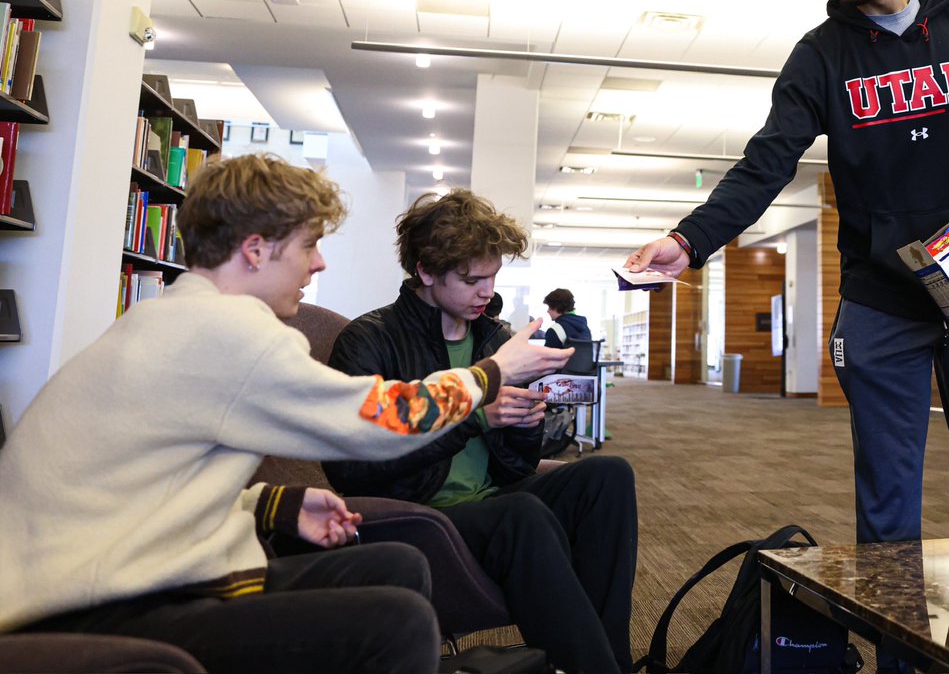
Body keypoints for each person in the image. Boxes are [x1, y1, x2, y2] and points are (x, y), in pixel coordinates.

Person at [0, 154, 570, 674]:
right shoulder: (228, 334)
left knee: (395, 566)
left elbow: (148, 485)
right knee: (398, 620)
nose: (319, 264)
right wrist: (494, 371)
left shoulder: (168, 320)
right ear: (255, 249)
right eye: (307, 245)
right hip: (95, 603)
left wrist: (274, 503)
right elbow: (388, 421)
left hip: (119, 573)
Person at [625, 0, 949, 549]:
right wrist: (691, 239)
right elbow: (766, 163)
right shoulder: (821, 55)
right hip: (882, 295)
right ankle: (895, 654)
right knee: (887, 505)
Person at [323, 189, 638, 674]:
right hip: (419, 510)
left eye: (492, 276)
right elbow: (355, 471)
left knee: (608, 477)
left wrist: (525, 422)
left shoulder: (495, 338)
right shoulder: (370, 340)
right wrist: (476, 417)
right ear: (425, 271)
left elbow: (515, 466)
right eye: (472, 279)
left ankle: (604, 661)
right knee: (523, 513)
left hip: (494, 496)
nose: (487, 291)